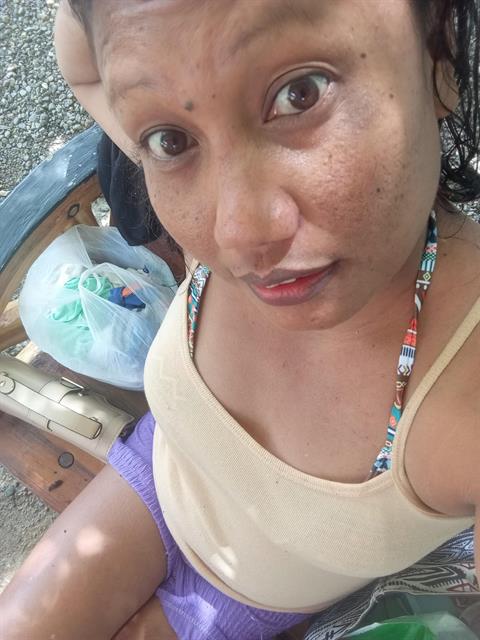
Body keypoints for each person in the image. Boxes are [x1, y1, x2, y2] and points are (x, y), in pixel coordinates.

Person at [1, 1, 480, 639]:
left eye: (300, 93)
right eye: (170, 139)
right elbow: (81, 50)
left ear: (441, 49)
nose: (235, 235)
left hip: (248, 603)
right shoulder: (206, 196)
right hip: (155, 480)